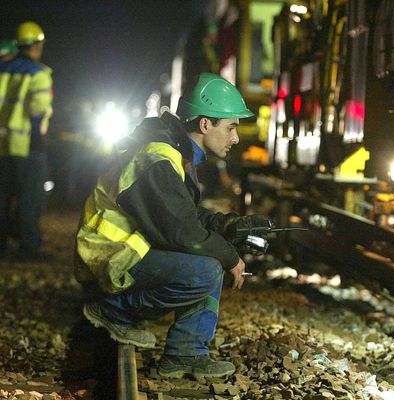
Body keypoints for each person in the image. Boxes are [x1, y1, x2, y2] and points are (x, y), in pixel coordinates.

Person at [74, 73, 271, 380]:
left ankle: (187, 355)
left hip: (129, 250)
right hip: (111, 256)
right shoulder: (160, 158)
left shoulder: (176, 153)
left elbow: (183, 215)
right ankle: (114, 308)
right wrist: (231, 256)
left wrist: (229, 226)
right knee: (207, 267)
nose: (236, 138)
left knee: (211, 260)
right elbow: (182, 232)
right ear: (205, 124)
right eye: (231, 127)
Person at [0, 21, 53, 257]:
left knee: (2, 197)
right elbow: (38, 109)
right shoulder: (39, 74)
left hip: (2, 144)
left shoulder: (2, 70)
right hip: (29, 145)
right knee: (30, 198)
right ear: (35, 45)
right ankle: (29, 247)